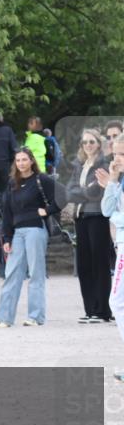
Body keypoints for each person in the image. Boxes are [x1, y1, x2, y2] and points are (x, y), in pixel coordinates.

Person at [0, 148, 64, 328]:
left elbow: (63, 195)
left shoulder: (41, 179)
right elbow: (7, 212)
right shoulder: (12, 183)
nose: (21, 163)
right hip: (17, 233)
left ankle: (35, 316)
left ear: (31, 161)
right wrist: (6, 238)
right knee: (11, 274)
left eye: (24, 160)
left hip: (36, 230)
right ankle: (4, 317)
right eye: (18, 160)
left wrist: (47, 210)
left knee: (36, 273)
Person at [68, 130, 114, 323]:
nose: (88, 145)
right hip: (81, 217)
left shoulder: (104, 164)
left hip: (98, 216)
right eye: (85, 142)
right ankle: (90, 309)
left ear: (98, 144)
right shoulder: (79, 165)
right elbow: (69, 191)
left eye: (92, 142)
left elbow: (96, 189)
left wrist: (81, 193)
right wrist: (81, 192)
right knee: (84, 265)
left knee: (99, 263)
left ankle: (102, 310)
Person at [99, 137, 124, 360]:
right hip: (121, 244)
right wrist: (113, 181)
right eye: (115, 154)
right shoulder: (119, 180)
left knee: (116, 301)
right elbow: (106, 210)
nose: (117, 159)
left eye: (123, 154)